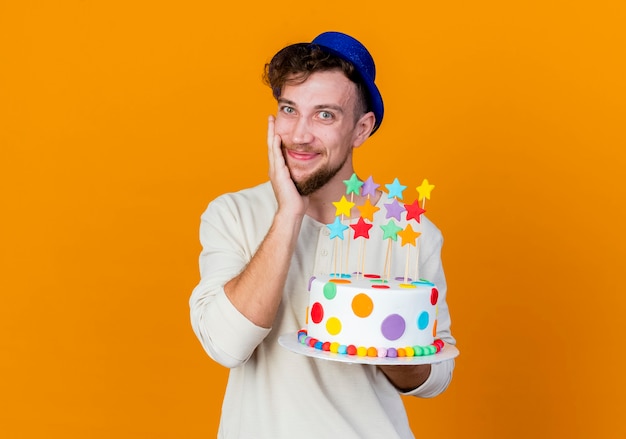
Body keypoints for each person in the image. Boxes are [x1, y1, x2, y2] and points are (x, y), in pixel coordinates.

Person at [190, 31, 455, 438]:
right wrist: (288, 214)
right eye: (289, 109)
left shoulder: (408, 231)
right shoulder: (232, 214)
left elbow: (434, 377)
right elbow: (226, 345)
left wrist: (384, 334)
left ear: (361, 129)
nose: (299, 134)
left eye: (325, 115)